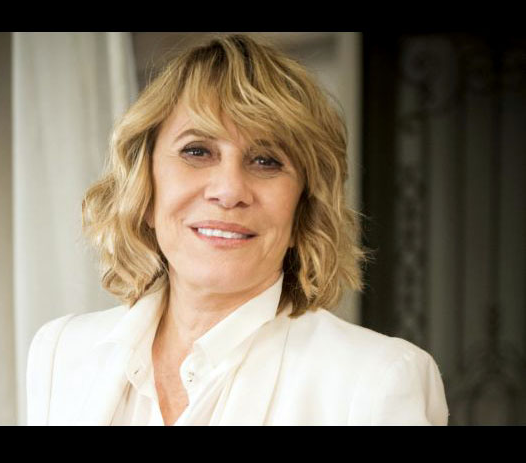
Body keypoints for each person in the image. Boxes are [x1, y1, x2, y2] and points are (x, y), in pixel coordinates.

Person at [26, 34, 449, 425]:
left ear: (303, 207)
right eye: (197, 151)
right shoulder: (61, 352)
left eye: (266, 161)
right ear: (145, 189)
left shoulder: (376, 381)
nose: (229, 191)